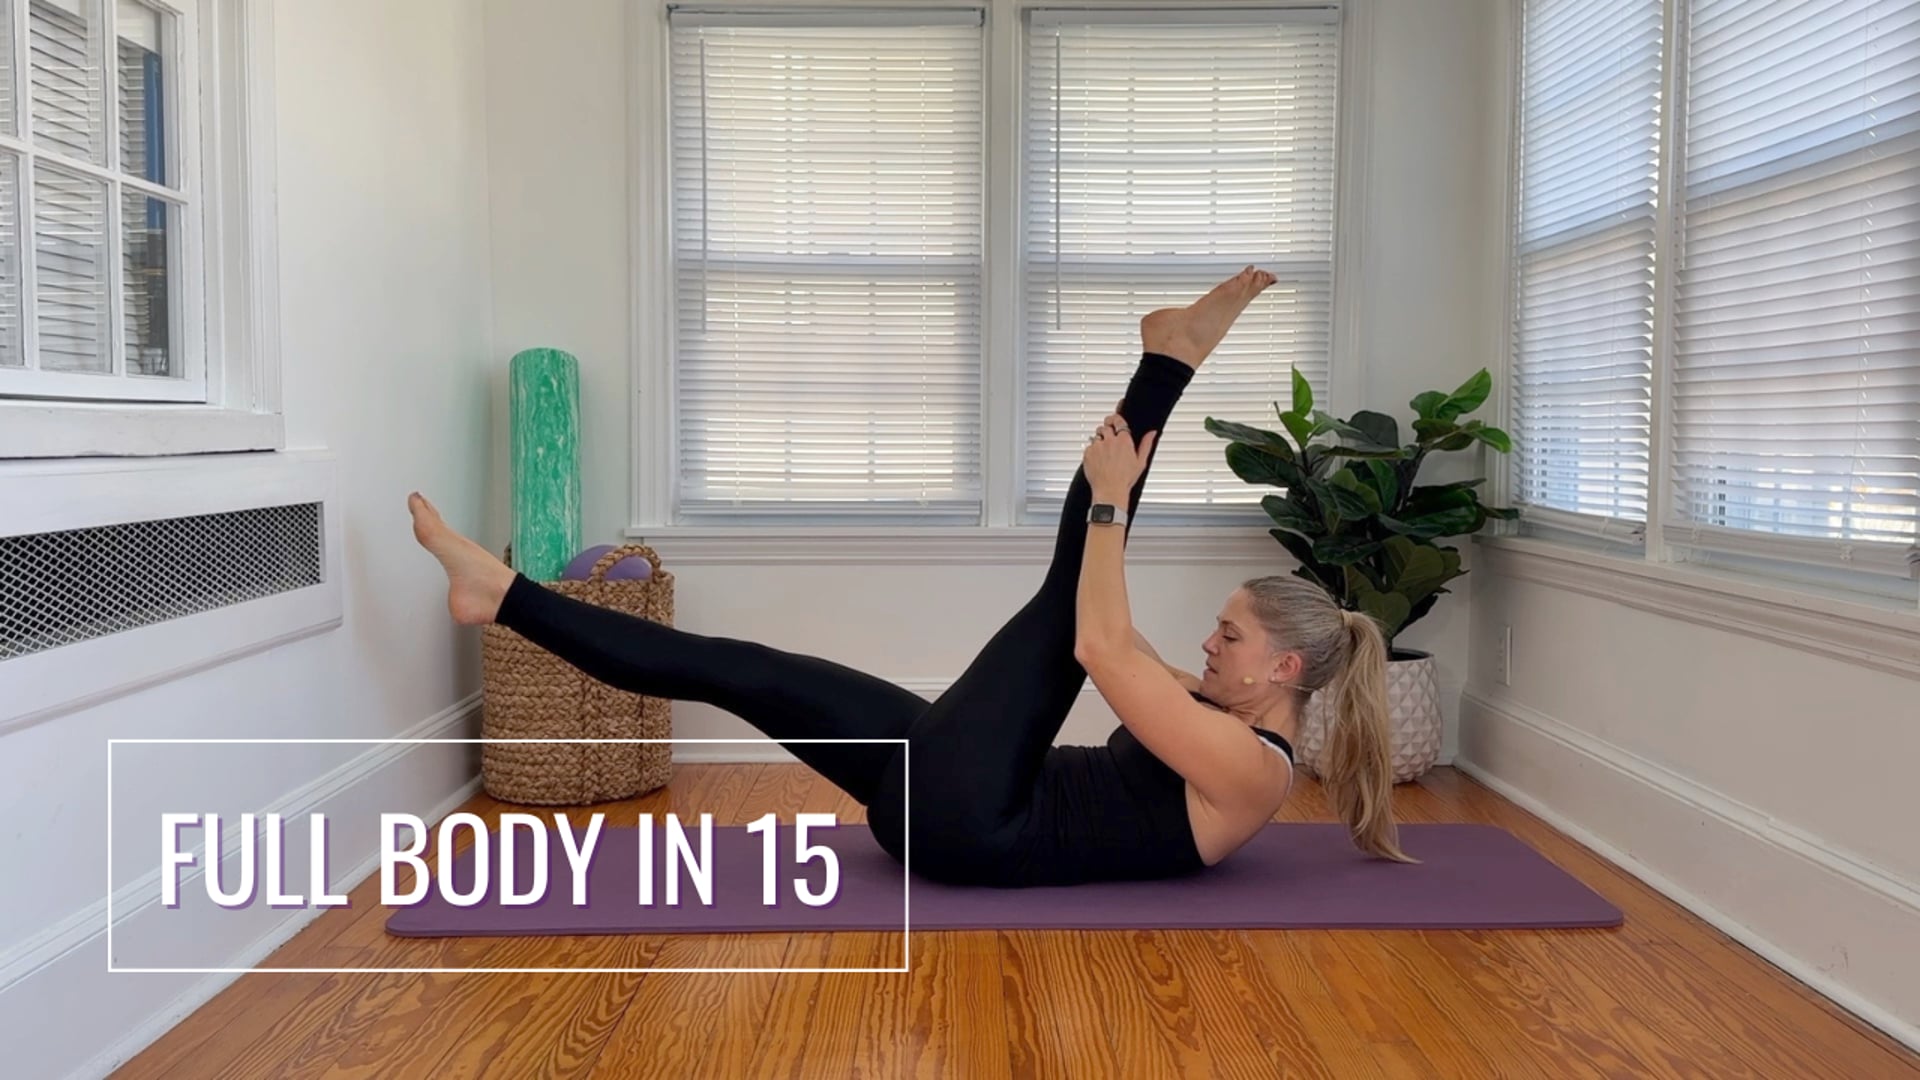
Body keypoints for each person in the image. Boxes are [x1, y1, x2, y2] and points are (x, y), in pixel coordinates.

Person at [409, 268, 1412, 889]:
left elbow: (1095, 641)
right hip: (948, 790)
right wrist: (1103, 523)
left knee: (1070, 597)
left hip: (974, 826)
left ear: (1284, 668)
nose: (1209, 643)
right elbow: (1113, 632)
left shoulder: (1254, 771)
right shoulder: (1218, 714)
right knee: (741, 668)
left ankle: (1169, 361)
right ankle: (503, 597)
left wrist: (1110, 504)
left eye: (1230, 636)